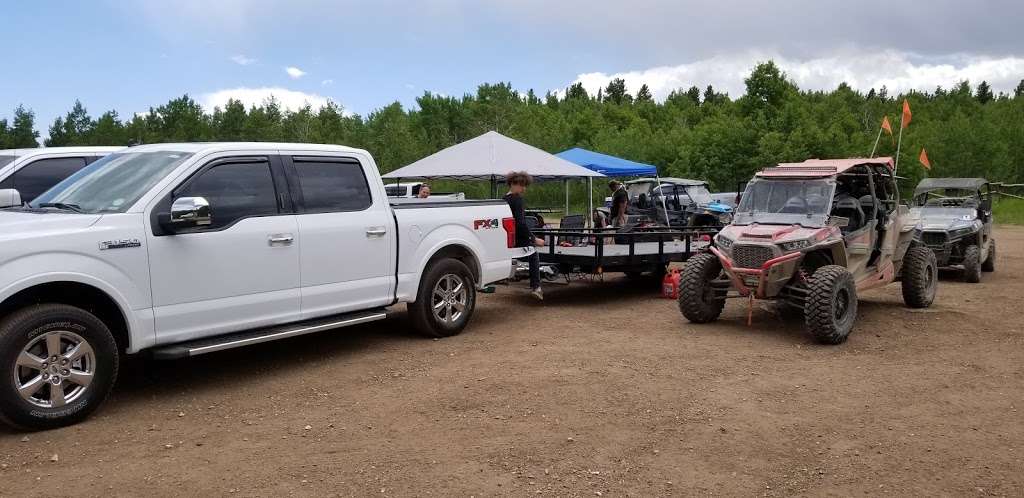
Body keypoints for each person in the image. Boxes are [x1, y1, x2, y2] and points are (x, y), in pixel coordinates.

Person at [504, 171, 546, 300]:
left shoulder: (503, 199)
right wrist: (533, 239)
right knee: (533, 253)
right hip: (518, 239)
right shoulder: (517, 199)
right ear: (513, 184)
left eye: (524, 185)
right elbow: (521, 224)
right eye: (522, 185)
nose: (524, 188)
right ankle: (536, 287)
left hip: (506, 238)